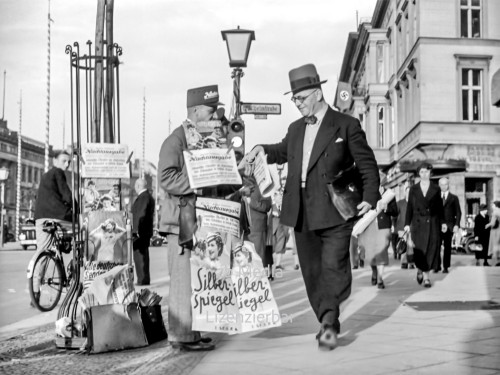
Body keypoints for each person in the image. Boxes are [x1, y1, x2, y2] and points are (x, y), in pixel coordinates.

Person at [239, 64, 380, 351]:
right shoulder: (295, 128)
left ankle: (329, 324)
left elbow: (367, 164)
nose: (297, 103)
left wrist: (371, 195)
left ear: (317, 93)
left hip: (336, 209)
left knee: (333, 266)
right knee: (312, 272)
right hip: (300, 209)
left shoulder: (345, 124)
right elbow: (281, 150)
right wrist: (261, 149)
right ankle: (326, 316)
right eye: (294, 99)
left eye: (301, 98)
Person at [158, 84, 223, 352]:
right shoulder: (176, 139)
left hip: (195, 220)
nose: (214, 117)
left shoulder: (200, 138)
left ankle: (191, 332)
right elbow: (165, 177)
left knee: (195, 280)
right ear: (195, 111)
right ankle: (182, 335)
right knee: (183, 281)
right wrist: (200, 178)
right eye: (210, 112)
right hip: (179, 222)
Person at [404, 163, 444, 288]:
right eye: (422, 172)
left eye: (426, 172)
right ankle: (420, 269)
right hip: (418, 224)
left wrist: (442, 223)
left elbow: (439, 208)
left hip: (432, 223)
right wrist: (406, 224)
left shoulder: (436, 189)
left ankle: (426, 277)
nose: (424, 174)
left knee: (430, 250)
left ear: (430, 173)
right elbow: (409, 207)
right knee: (420, 250)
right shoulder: (413, 189)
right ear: (418, 174)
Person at [33, 150, 74, 256]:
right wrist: (77, 208)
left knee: (42, 250)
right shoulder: (58, 172)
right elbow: (66, 195)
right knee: (83, 229)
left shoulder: (45, 175)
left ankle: (36, 271)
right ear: (54, 161)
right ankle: (73, 263)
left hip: (40, 217)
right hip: (56, 215)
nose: (67, 164)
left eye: (69, 162)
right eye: (64, 161)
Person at [358, 186, 397, 289]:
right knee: (370, 253)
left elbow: (395, 211)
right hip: (368, 226)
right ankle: (374, 271)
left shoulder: (388, 194)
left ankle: (380, 278)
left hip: (383, 226)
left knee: (382, 252)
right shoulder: (365, 191)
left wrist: (386, 208)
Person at [244, 178, 272, 277]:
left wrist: (251, 202)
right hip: (242, 229)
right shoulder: (237, 186)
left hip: (257, 228)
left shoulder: (263, 185)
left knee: (258, 257)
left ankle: (259, 282)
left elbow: (267, 205)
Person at [132, 178, 155, 286]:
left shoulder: (143, 198)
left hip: (140, 232)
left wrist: (135, 230)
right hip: (145, 231)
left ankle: (142, 280)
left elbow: (140, 215)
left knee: (139, 256)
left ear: (138, 186)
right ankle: (144, 279)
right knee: (143, 256)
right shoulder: (148, 196)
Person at [438, 177, 462, 273]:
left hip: (450, 226)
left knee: (447, 247)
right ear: (439, 185)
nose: (444, 186)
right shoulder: (435, 197)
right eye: (442, 184)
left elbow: (458, 212)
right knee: (436, 246)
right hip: (438, 225)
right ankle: (437, 265)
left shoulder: (454, 198)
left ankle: (445, 266)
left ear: (448, 185)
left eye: (445, 184)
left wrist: (457, 225)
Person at [393, 186, 415, 269]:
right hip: (402, 227)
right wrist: (394, 226)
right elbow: (394, 216)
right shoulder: (400, 203)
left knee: (411, 246)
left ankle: (411, 262)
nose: (408, 193)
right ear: (405, 193)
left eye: (410, 192)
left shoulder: (415, 203)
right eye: (407, 192)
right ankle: (404, 262)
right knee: (403, 245)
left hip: (412, 227)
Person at [486, 201, 500, 266]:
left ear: (495, 205)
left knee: (495, 246)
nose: (492, 206)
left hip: (495, 231)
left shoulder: (495, 212)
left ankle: (497, 262)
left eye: (493, 205)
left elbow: (493, 223)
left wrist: (486, 225)